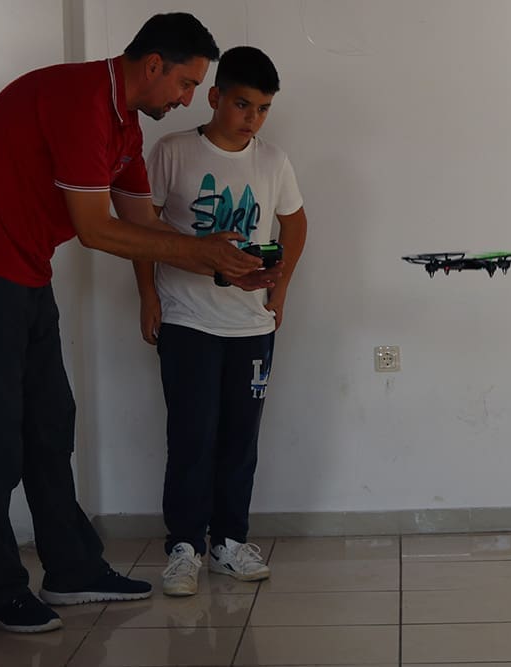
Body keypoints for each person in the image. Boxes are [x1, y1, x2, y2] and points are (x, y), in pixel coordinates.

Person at [0, 14, 280, 634]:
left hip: (26, 271)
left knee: (50, 424)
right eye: (187, 84)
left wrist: (225, 267)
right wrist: (202, 253)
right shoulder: (79, 101)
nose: (188, 99)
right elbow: (96, 229)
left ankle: (71, 568)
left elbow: (144, 224)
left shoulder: (125, 126)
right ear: (153, 65)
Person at [133, 46, 308, 596]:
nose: (252, 118)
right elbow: (142, 229)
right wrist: (147, 295)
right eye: (241, 104)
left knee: (240, 439)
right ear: (213, 97)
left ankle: (230, 543)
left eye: (263, 109)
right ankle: (184, 547)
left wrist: (281, 287)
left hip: (251, 326)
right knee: (191, 436)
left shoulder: (273, 161)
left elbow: (295, 223)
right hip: (187, 320)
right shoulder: (172, 152)